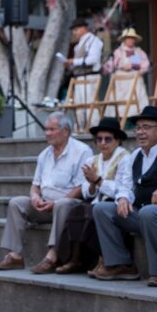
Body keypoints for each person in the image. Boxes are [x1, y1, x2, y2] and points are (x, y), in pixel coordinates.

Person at [0, 112, 92, 273]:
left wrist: (55, 202)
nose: (47, 133)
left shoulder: (82, 151)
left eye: (52, 129)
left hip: (70, 206)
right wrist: (35, 197)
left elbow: (81, 187)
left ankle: (52, 256)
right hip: (45, 205)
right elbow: (35, 185)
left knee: (62, 204)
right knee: (16, 202)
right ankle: (15, 256)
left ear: (65, 131)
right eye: (46, 129)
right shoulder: (44, 154)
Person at [55, 117, 130, 275]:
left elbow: (122, 188)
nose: (103, 143)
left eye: (107, 139)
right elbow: (86, 192)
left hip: (115, 203)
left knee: (93, 212)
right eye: (99, 139)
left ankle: (101, 259)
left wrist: (98, 180)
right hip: (96, 201)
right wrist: (91, 184)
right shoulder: (93, 160)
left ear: (117, 141)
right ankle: (74, 259)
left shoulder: (125, 158)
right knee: (76, 212)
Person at [93, 105, 157, 287]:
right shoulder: (135, 155)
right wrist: (123, 198)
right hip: (142, 213)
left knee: (149, 213)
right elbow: (125, 185)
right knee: (102, 209)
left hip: (152, 214)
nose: (140, 132)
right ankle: (120, 264)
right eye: (138, 128)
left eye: (146, 127)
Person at [64, 18, 104, 130]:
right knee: (80, 106)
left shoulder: (94, 41)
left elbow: (93, 59)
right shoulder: (79, 44)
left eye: (76, 29)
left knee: (91, 105)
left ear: (83, 28)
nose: (74, 32)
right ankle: (80, 129)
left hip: (90, 76)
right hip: (80, 77)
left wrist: (73, 61)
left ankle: (94, 129)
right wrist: (70, 65)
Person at [104, 27, 151, 119]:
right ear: (125, 39)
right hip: (121, 81)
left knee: (138, 96)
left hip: (135, 79)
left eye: (132, 38)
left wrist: (139, 72)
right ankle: (121, 119)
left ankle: (137, 117)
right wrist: (122, 67)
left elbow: (145, 65)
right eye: (129, 38)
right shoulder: (118, 52)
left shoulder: (138, 51)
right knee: (120, 101)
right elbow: (110, 65)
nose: (131, 40)